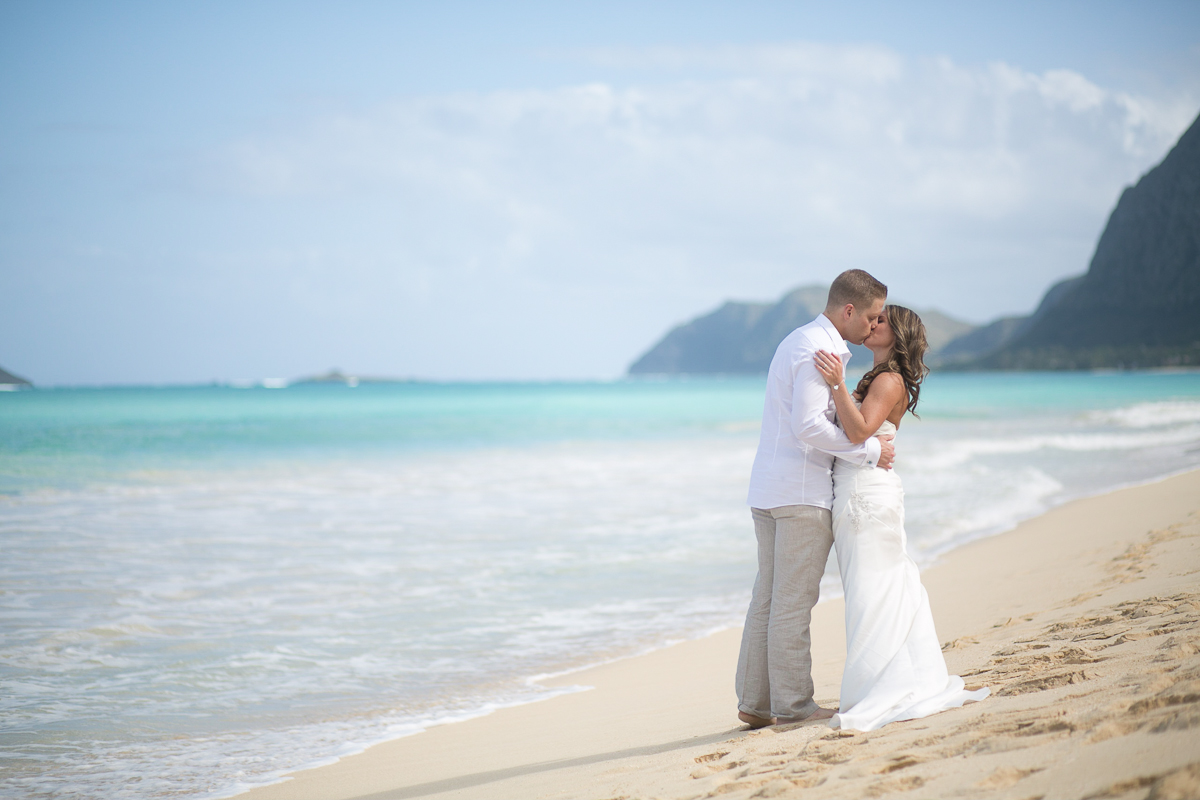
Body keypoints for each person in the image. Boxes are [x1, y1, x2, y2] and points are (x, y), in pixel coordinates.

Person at [813, 305, 990, 731]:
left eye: (882, 322)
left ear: (897, 336)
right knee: (876, 587)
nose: (873, 324)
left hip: (867, 496)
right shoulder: (877, 378)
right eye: (873, 319)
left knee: (874, 590)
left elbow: (858, 432)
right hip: (861, 492)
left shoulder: (890, 381)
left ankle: (884, 687)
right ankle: (897, 679)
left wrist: (835, 384)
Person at [736, 269, 896, 728]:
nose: (872, 326)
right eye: (870, 316)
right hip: (801, 493)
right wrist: (869, 450)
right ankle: (793, 707)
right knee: (792, 602)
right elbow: (808, 425)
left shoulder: (795, 340)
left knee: (766, 598)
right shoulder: (820, 349)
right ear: (848, 310)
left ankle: (756, 702)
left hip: (768, 488)